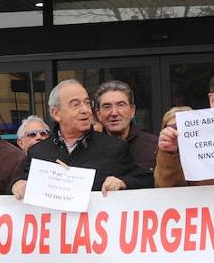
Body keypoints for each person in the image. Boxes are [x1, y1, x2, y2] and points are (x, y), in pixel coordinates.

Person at [12, 80, 153, 199]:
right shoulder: (39, 151)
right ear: (56, 113)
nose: (85, 110)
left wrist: (123, 182)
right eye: (76, 104)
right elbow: (19, 181)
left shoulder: (114, 148)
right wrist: (18, 184)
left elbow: (146, 181)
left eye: (87, 103)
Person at [95, 81, 158, 173]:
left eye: (120, 105)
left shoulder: (154, 147)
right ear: (98, 114)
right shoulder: (89, 150)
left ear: (132, 110)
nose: (114, 113)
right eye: (107, 107)